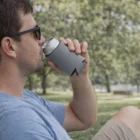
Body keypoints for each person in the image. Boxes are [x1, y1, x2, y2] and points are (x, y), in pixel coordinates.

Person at [0, 0, 139, 140]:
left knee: (132, 116)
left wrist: (80, 74)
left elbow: (82, 118)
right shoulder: (17, 118)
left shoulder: (26, 97)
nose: (42, 39)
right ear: (10, 47)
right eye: (36, 32)